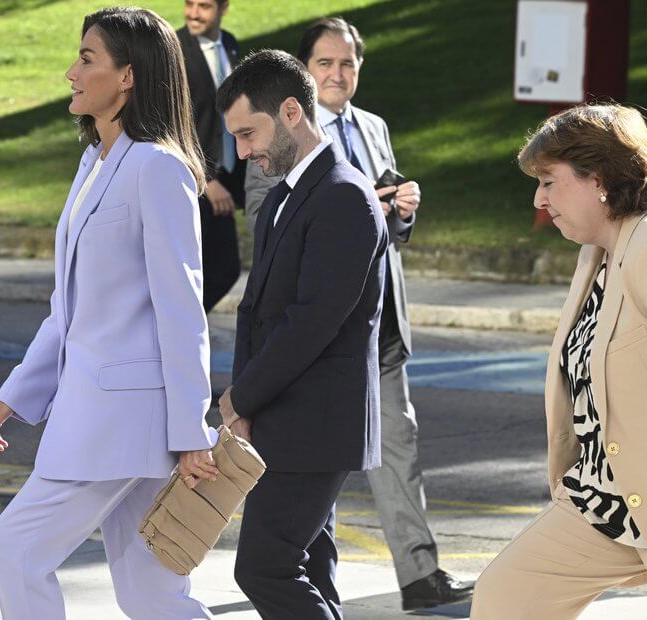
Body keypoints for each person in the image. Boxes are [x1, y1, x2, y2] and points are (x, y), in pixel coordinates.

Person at [0, 8, 217, 619]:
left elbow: (181, 307)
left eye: (86, 59)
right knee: (152, 597)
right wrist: (17, 392)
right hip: (113, 421)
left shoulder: (158, 168)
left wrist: (192, 431)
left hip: (121, 424)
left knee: (15, 550)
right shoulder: (96, 165)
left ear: (128, 75)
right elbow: (68, 306)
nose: (70, 72)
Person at [243, 18, 472, 609]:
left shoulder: (373, 127)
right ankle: (320, 592)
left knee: (398, 449)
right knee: (316, 487)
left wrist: (400, 213)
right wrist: (363, 204)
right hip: (316, 337)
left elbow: (383, 231)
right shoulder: (273, 128)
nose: (338, 74)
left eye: (348, 64)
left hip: (379, 327)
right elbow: (266, 213)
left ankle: (419, 574)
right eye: (326, 63)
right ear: (305, 74)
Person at [216, 49, 387, 619]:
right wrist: (244, 406)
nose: (242, 152)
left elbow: (311, 322)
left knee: (263, 567)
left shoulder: (344, 195)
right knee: (310, 571)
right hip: (284, 420)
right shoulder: (283, 199)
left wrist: (242, 396)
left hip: (314, 424)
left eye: (248, 133)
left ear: (291, 111)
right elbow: (257, 313)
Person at [471, 103, 647, 617]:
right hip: (604, 501)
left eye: (549, 181)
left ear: (598, 179)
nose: (539, 199)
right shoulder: (597, 253)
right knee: (507, 596)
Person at [176, 0, 243, 313]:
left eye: (204, 5)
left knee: (221, 269)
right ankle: (176, 334)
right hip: (190, 182)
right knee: (218, 269)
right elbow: (171, 125)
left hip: (227, 179)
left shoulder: (229, 45)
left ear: (223, 7)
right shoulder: (173, 50)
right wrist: (208, 179)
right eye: (189, 4)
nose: (193, 13)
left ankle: (179, 335)